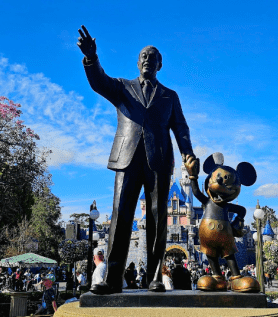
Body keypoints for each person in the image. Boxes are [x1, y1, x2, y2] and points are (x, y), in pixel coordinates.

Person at [78, 25, 195, 294]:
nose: (146, 59)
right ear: (137, 62)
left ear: (159, 65)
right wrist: (91, 58)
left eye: (152, 57)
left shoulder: (170, 96)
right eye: (143, 55)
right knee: (120, 216)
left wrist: (187, 152)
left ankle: (155, 276)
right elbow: (98, 82)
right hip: (127, 159)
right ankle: (113, 277)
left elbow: (181, 128)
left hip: (159, 161)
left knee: (157, 217)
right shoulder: (123, 88)